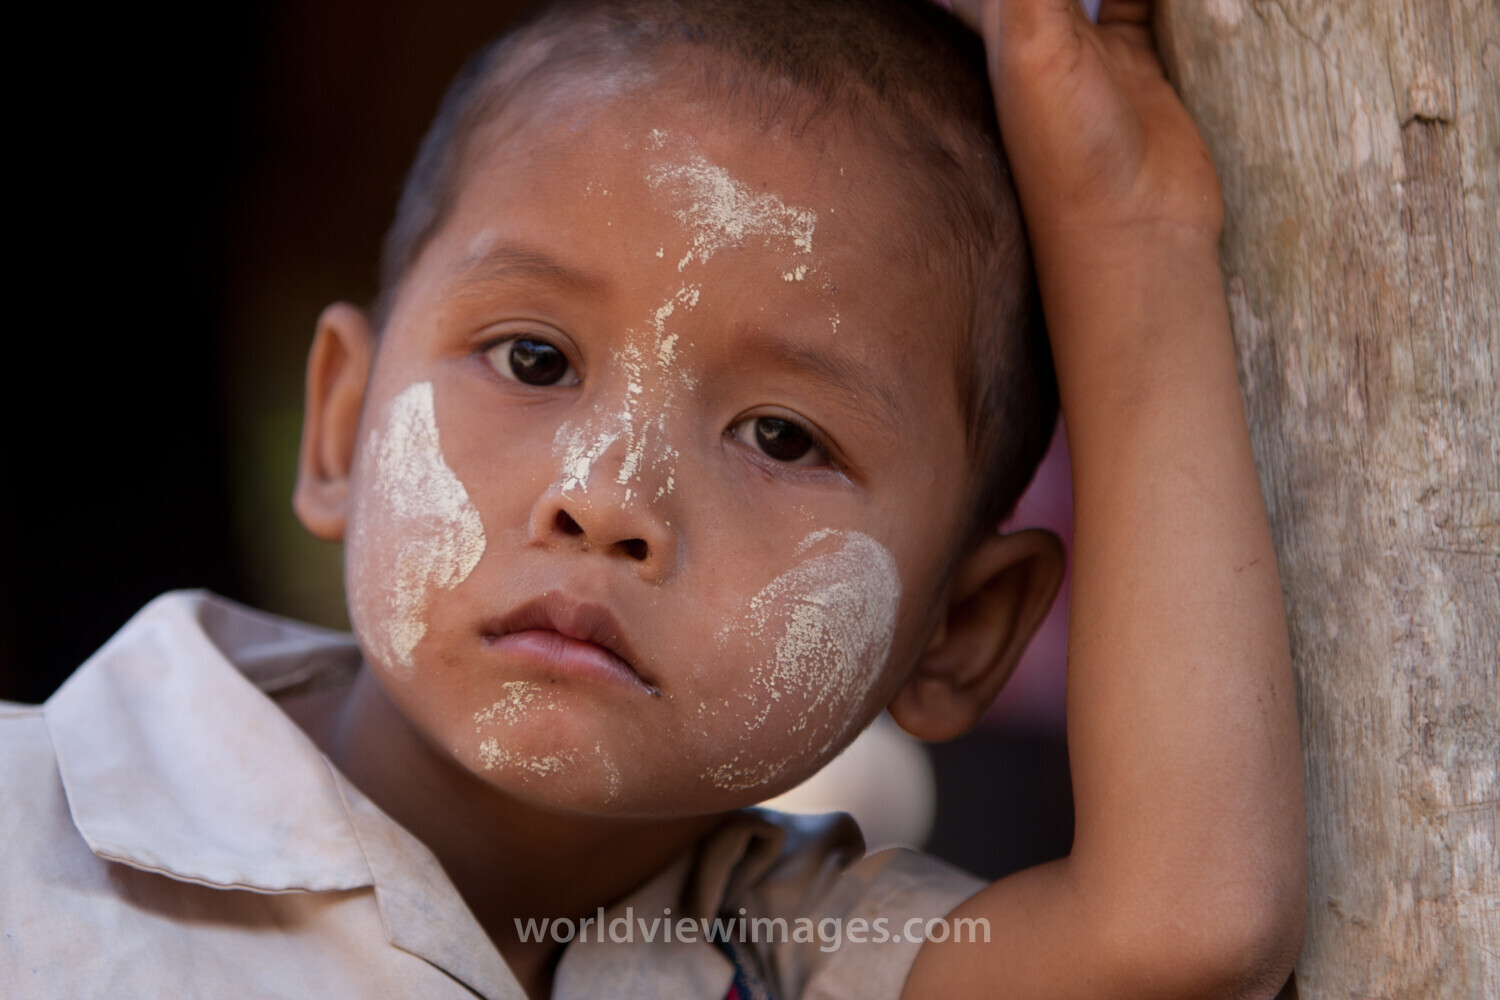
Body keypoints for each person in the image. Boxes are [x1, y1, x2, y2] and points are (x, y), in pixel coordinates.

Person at [0, 1, 1306, 997]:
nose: (607, 496)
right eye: (533, 359)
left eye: (783, 435)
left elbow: (1187, 922)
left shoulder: (787, 954)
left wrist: (1130, 240)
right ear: (339, 422)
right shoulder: (31, 835)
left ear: (962, 628)